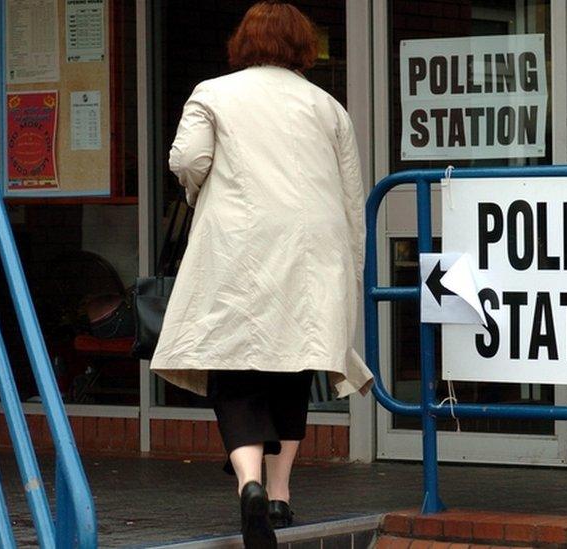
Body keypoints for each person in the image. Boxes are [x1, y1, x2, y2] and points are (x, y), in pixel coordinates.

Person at [149, 2, 373, 547]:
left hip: (239, 247)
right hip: (312, 249)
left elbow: (188, 160)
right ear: (303, 47)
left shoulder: (213, 93)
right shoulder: (328, 107)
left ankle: (247, 485)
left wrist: (204, 193)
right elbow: (352, 195)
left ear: (242, 43)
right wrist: (352, 266)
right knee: (293, 367)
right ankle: (279, 498)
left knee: (236, 369)